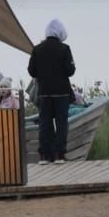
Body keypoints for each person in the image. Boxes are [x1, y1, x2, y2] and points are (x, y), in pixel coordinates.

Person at [28, 18, 76, 165]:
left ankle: (44, 155)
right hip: (61, 92)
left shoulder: (37, 49)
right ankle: (59, 154)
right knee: (61, 124)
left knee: (45, 124)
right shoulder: (64, 49)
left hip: (44, 93)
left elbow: (32, 71)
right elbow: (70, 70)